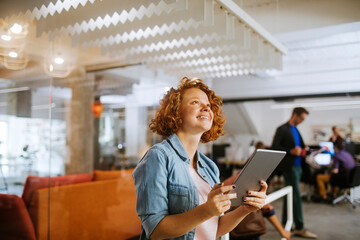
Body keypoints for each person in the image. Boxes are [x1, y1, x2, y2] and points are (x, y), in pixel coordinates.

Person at [132, 77, 268, 240]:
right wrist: (207, 210)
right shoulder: (158, 157)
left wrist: (246, 209)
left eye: (209, 106)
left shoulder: (209, 166)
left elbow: (213, 228)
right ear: (176, 112)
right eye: (195, 102)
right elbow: (155, 230)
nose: (206, 108)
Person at [224, 141, 291, 240]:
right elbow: (267, 209)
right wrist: (282, 231)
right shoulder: (246, 179)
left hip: (238, 227)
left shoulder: (243, 176)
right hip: (239, 229)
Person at [271, 107, 317, 239]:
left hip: (298, 166)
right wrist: (291, 151)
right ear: (294, 115)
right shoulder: (282, 129)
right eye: (301, 118)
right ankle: (300, 227)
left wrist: (305, 149)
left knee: (290, 196)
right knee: (296, 196)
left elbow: (299, 147)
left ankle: (286, 223)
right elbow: (274, 147)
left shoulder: (296, 129)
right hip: (289, 168)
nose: (302, 121)